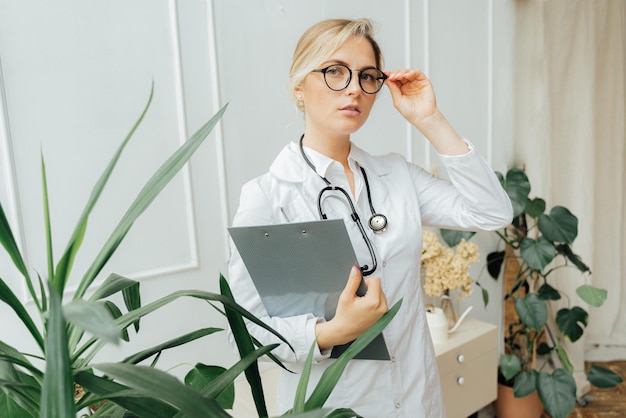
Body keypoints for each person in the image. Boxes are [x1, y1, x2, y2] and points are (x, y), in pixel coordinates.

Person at [227, 18, 513, 417]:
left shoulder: (396, 175)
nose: (354, 89)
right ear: (298, 88)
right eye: (334, 72)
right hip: (334, 404)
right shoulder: (267, 197)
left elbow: (492, 211)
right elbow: (250, 327)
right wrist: (331, 333)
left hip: (417, 397)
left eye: (367, 76)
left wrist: (429, 119)